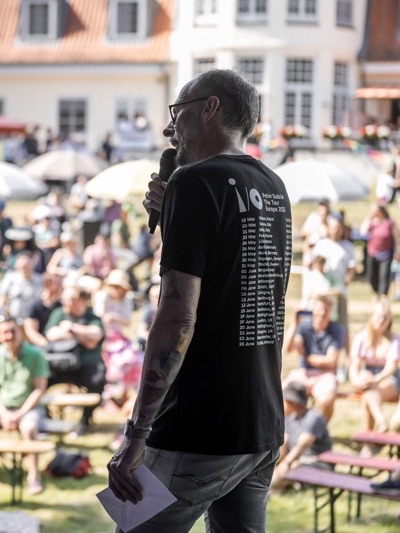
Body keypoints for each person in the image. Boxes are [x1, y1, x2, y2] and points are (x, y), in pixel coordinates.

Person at [107, 69, 292, 531]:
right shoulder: (272, 185)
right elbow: (231, 279)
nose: (170, 129)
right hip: (260, 420)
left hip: (198, 426)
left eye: (178, 112)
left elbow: (177, 319)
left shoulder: (193, 181)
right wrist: (172, 215)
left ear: (210, 108)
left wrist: (137, 433)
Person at [0, 317, 49, 495]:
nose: (10, 336)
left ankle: (34, 476)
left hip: (28, 408)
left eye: (13, 331)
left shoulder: (35, 355)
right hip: (2, 408)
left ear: (21, 333)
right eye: (5, 332)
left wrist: (19, 414)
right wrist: (4, 414)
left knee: (29, 429)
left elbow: (39, 389)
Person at [44, 285, 106, 435]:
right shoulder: (59, 313)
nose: (66, 302)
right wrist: (83, 337)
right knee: (39, 377)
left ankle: (85, 420)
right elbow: (51, 334)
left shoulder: (92, 317)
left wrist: (71, 327)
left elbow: (96, 335)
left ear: (82, 300)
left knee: (98, 380)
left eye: (71, 299)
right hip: (60, 364)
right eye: (65, 299)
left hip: (86, 365)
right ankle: (45, 418)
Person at [284, 295, 346, 421]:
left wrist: (307, 357)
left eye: (325, 311)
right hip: (304, 373)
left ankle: (319, 429)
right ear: (313, 311)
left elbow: (330, 361)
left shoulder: (337, 330)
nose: (322, 314)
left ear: (330, 313)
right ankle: (291, 427)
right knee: (283, 395)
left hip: (326, 374)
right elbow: (288, 349)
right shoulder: (304, 327)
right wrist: (294, 324)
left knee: (326, 400)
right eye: (319, 310)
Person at [348, 303, 400, 441]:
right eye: (378, 317)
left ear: (389, 321)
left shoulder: (394, 340)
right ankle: (380, 422)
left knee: (368, 395)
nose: (381, 321)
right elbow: (354, 366)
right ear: (372, 317)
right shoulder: (362, 338)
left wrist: (376, 379)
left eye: (385, 318)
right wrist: (356, 381)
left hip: (388, 379)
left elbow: (390, 368)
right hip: (369, 380)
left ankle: (369, 441)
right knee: (367, 384)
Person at [270, 381, 333, 492]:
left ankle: (284, 484)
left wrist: (286, 463)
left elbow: (303, 444)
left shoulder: (314, 417)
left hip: (317, 462)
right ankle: (285, 484)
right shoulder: (290, 418)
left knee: (286, 471)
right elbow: (285, 442)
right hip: (294, 460)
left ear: (291, 402)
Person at [359, 202, 400, 299]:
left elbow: (397, 238)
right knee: (371, 275)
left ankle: (383, 295)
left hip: (386, 253)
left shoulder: (389, 222)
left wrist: (396, 251)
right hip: (372, 253)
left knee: (384, 275)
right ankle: (376, 292)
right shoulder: (371, 222)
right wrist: (369, 218)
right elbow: (363, 232)